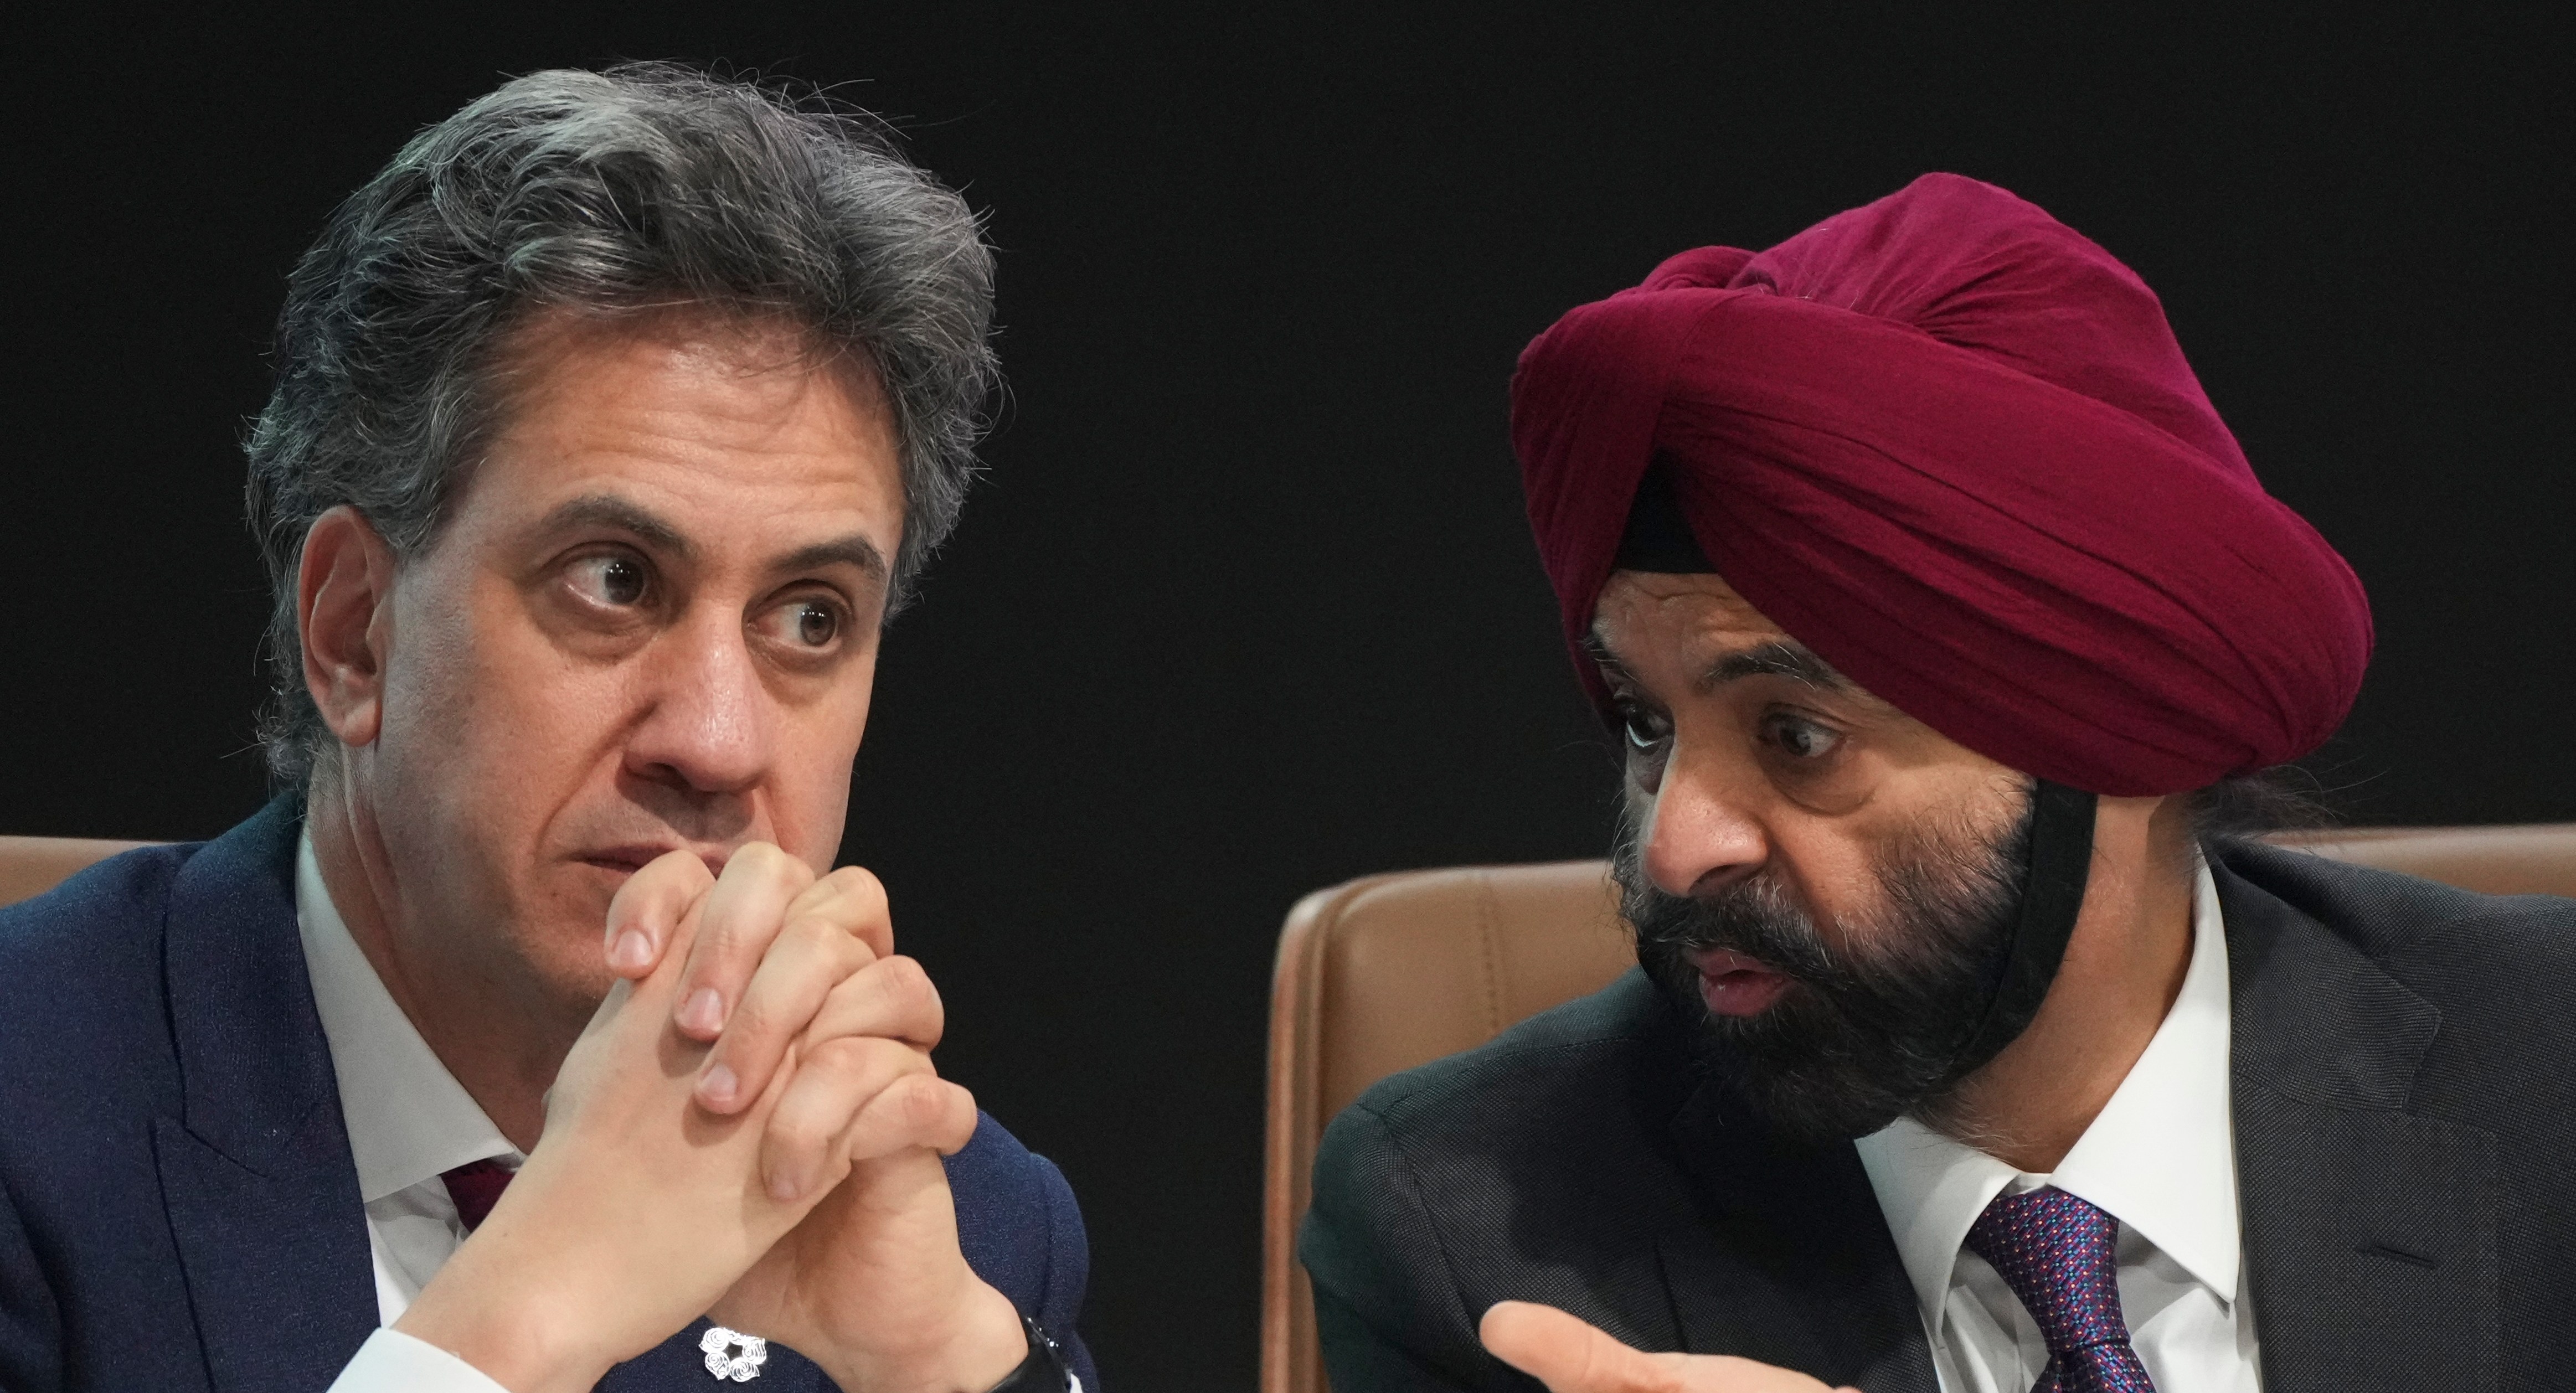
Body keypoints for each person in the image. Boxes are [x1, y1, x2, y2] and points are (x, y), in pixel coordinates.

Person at [1300, 173, 2576, 1392]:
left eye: (1798, 736)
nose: (1676, 846)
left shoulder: (2548, 1074)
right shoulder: (1477, 1228)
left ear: (2116, 740)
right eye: (1645, 723)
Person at [0, 65, 1094, 1393]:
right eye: (614, 580)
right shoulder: (31, 1122)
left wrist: (946, 1362)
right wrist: (525, 1311)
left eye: (809, 618)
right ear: (354, 631)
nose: (716, 741)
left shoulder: (954, 1217)